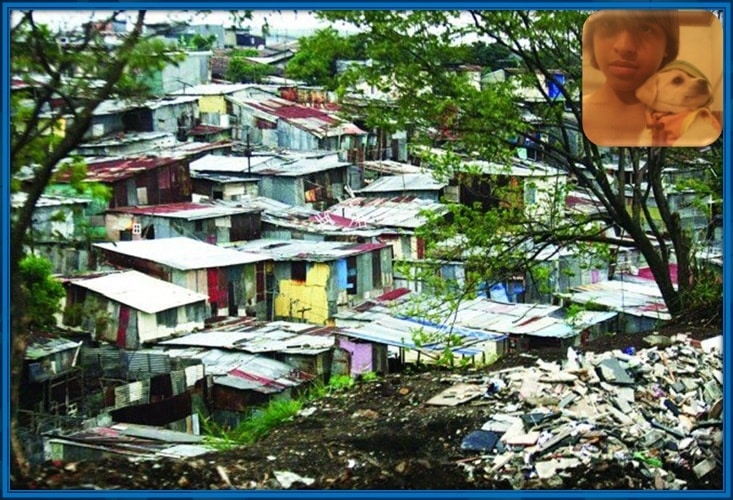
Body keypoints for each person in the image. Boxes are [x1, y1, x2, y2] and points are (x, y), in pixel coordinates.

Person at [582, 10, 680, 146]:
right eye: (609, 24)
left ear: (667, 46)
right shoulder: (574, 117)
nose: (624, 47)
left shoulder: (687, 121)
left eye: (645, 28)